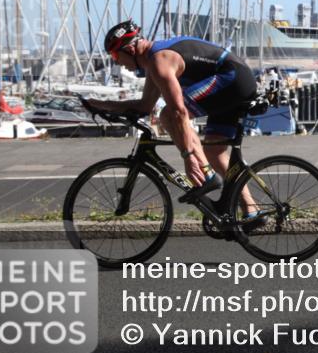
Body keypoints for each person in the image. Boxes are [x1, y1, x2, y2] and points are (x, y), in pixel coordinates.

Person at [87, 20, 258, 215]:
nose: (116, 62)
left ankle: (206, 174)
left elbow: (179, 112)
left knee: (168, 115)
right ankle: (251, 210)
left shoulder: (160, 60)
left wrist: (188, 157)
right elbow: (144, 106)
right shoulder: (153, 62)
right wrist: (100, 104)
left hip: (233, 78)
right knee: (215, 149)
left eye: (115, 55)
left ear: (131, 49)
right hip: (236, 80)